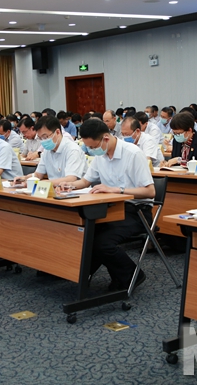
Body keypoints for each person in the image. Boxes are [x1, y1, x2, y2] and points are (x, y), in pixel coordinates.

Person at [62, 119, 154, 291]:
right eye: (88, 147)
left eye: (93, 146)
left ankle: (132, 275)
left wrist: (116, 190)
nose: (92, 150)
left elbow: (150, 192)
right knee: (83, 233)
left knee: (102, 242)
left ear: (105, 138)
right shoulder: (100, 155)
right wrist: (70, 185)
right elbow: (85, 181)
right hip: (111, 209)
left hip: (136, 211)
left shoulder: (133, 153)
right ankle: (84, 275)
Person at [13, 116, 86, 186]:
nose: (43, 141)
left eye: (45, 137)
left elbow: (70, 179)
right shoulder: (47, 150)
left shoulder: (72, 150)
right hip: (54, 189)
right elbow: (38, 174)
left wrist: (41, 183)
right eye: (40, 138)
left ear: (57, 132)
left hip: (74, 191)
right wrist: (25, 178)